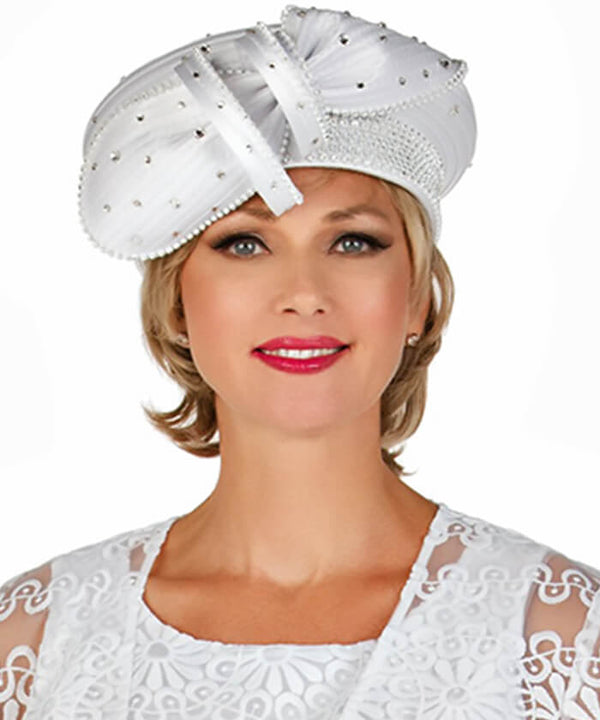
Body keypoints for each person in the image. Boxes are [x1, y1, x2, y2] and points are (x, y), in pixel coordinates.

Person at [1, 5, 599, 719]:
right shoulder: (35, 647)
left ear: (416, 298)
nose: (304, 294)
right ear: (177, 304)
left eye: (353, 243)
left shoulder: (560, 641)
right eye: (245, 245)